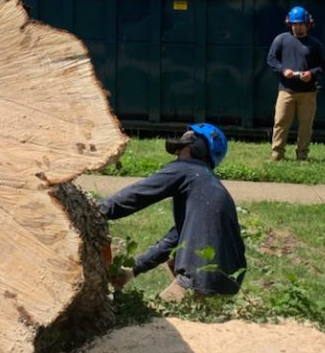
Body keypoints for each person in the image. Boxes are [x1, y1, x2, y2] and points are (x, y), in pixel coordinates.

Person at [99, 123, 246, 302]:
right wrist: (132, 271)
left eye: (184, 145)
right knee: (176, 255)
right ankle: (204, 301)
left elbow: (136, 195)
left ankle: (188, 293)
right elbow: (174, 239)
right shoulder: (208, 184)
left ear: (197, 147)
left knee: (151, 317)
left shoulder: (185, 169)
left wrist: (97, 210)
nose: (179, 152)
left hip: (199, 280)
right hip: (230, 286)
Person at [266, 6, 325, 162]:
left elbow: (324, 65)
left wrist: (311, 73)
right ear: (289, 24)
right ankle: (277, 153)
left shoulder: (315, 44)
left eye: (300, 24)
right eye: (294, 24)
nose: (297, 27)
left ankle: (302, 155)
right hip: (286, 90)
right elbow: (271, 59)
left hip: (308, 92)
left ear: (307, 24)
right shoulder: (281, 39)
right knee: (280, 122)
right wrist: (282, 70)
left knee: (305, 126)